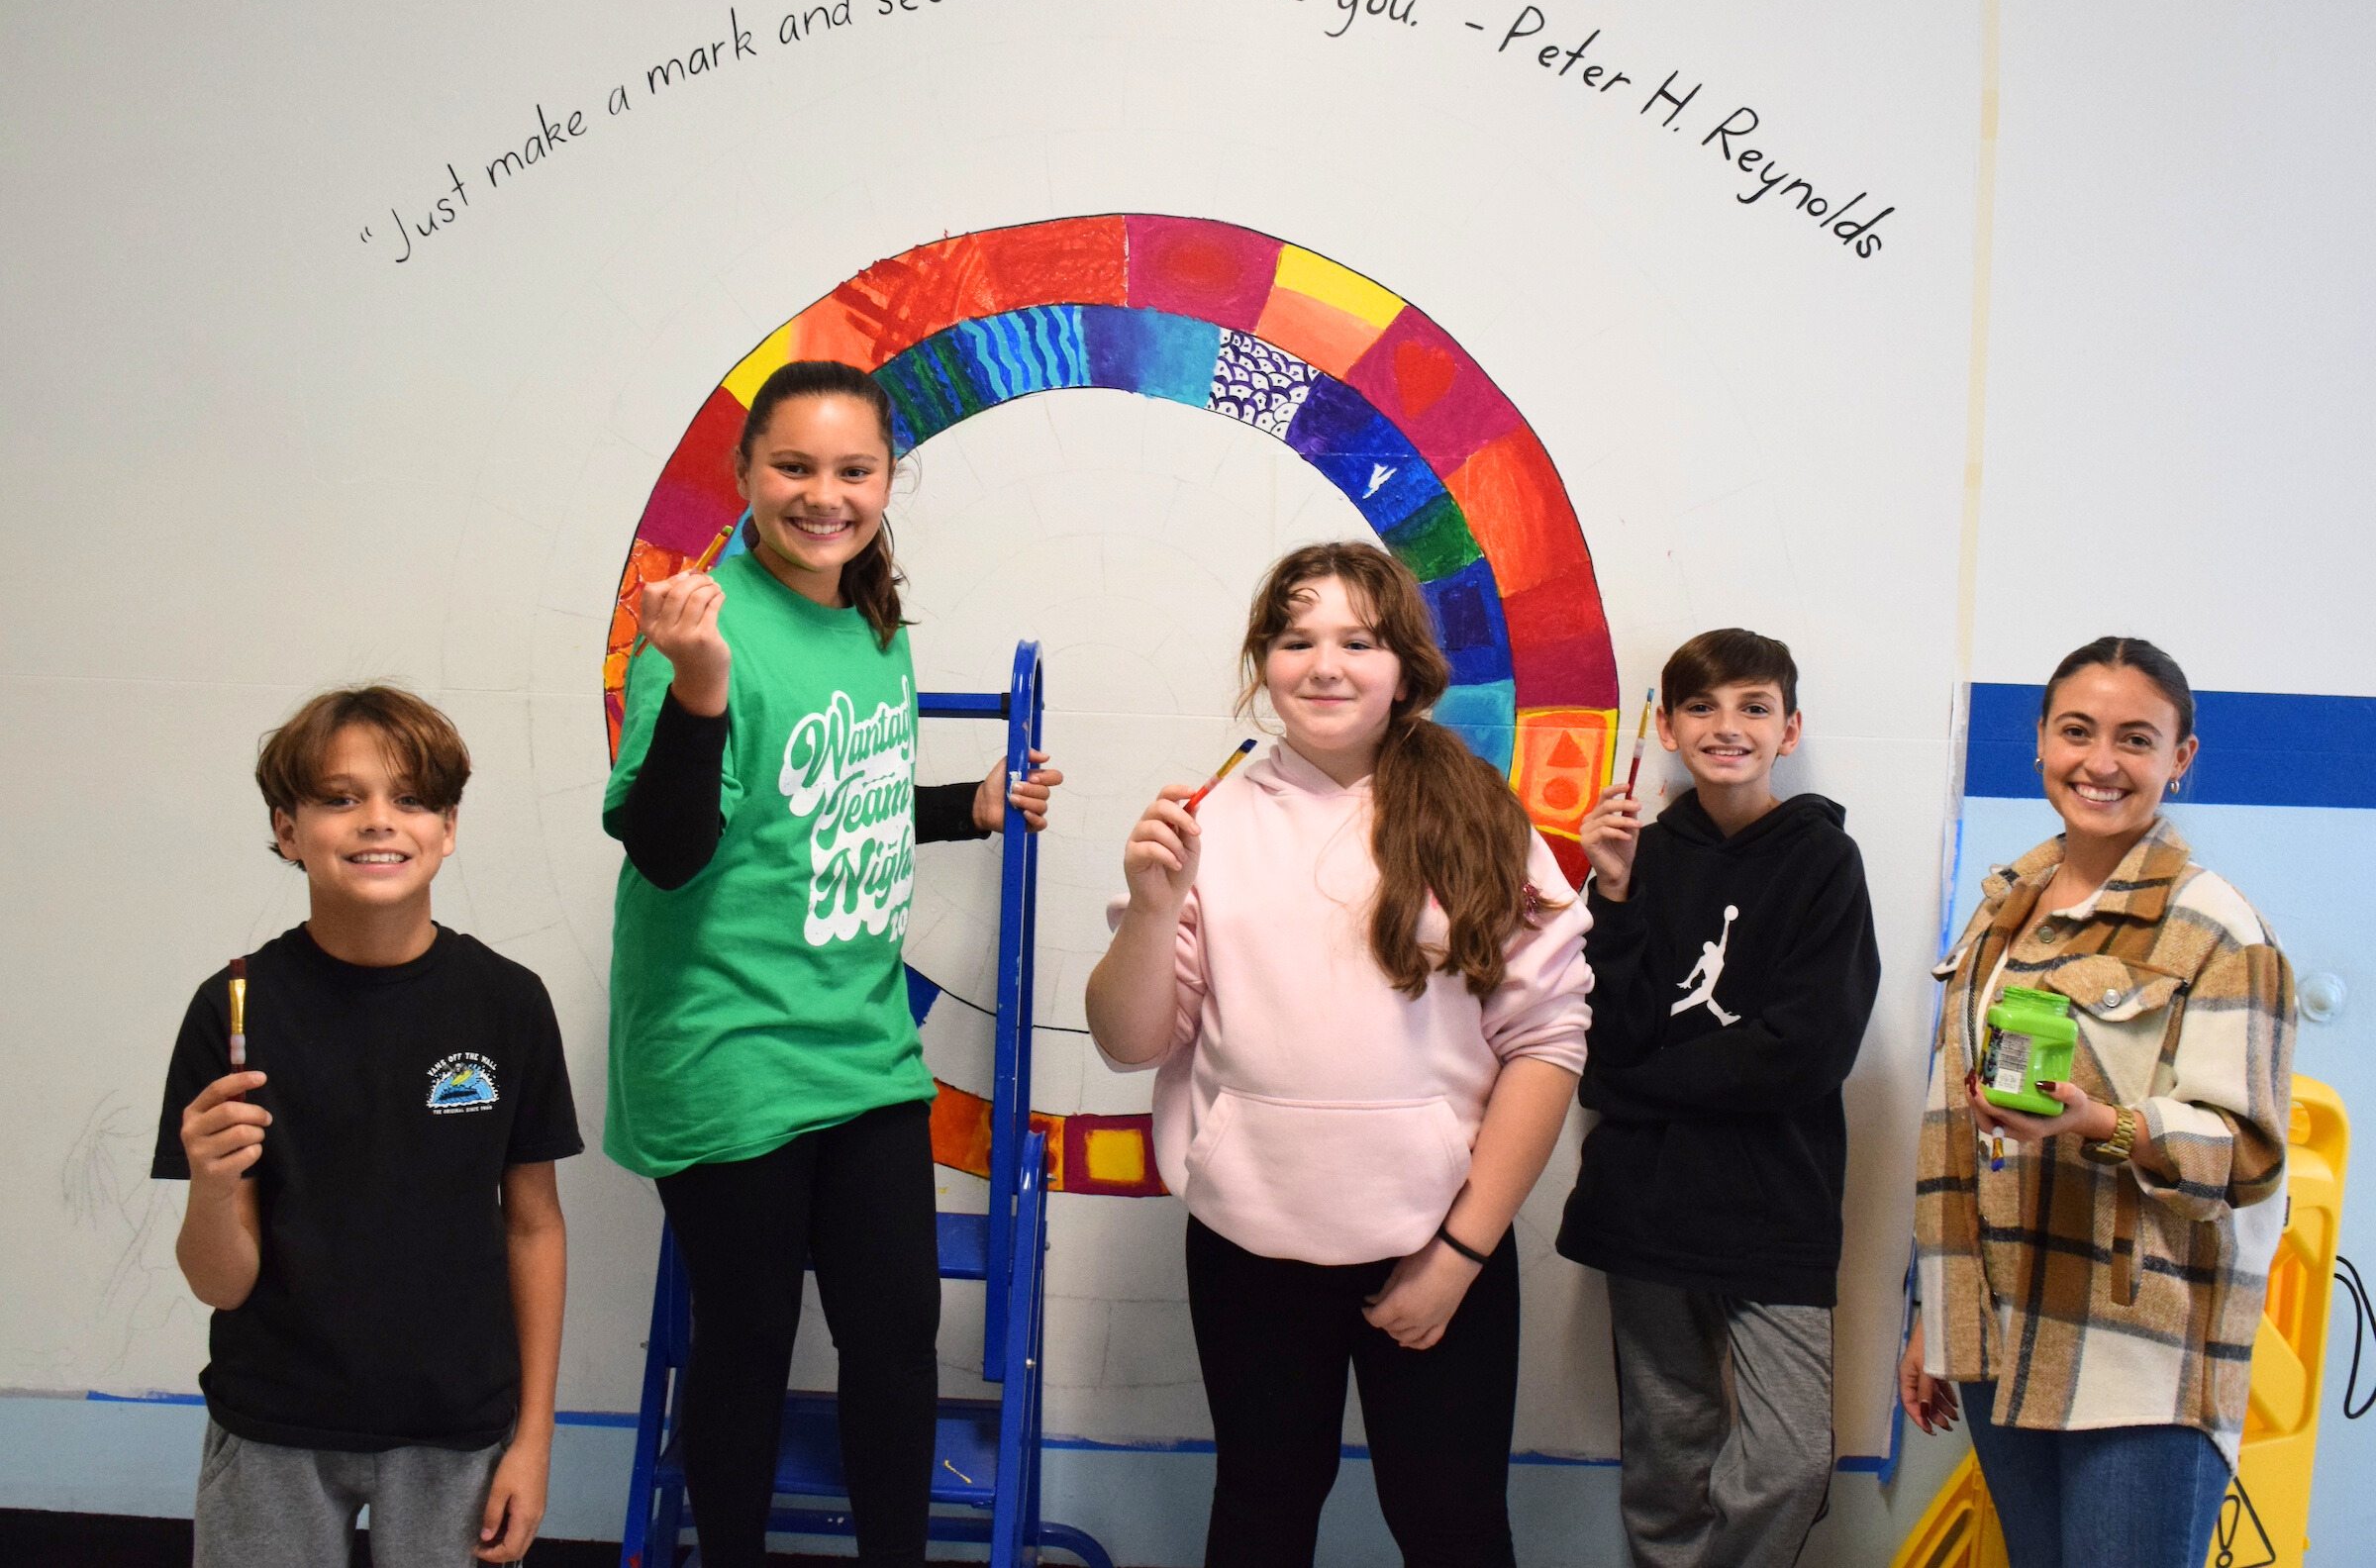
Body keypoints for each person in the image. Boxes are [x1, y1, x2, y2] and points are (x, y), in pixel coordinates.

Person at [604, 359, 1061, 1568]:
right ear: (745, 475)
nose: (824, 494)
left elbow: (829, 801)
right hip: (729, 1043)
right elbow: (668, 846)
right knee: (749, 1339)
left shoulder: (872, 622)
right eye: (794, 467)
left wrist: (971, 803)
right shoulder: (701, 629)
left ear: (887, 480)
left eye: (852, 470)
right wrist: (700, 691)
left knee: (897, 1330)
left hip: (857, 1041)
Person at [1085, 541, 1592, 1568]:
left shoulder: (1482, 815)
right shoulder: (1206, 822)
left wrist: (1456, 1254)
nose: (1325, 664)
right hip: (1248, 1249)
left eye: (1358, 640)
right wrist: (1149, 911)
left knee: (1450, 1522)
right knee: (1261, 1513)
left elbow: (1547, 1044)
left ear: (1403, 661)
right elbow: (1130, 1040)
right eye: (1295, 637)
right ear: (1262, 662)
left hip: (1441, 1243)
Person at [154, 686, 580, 1566]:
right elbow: (219, 1284)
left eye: (411, 798)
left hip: (455, 1426)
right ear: (286, 828)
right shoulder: (232, 1007)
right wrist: (210, 1182)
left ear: (449, 826)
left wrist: (534, 1436)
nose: (378, 821)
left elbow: (533, 1224)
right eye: (340, 797)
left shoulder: (507, 1002)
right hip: (273, 1418)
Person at [1900, 637, 2295, 1568]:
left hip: (2138, 1355)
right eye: (2077, 731)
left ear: (2179, 759)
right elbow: (1955, 1131)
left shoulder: (2218, 926)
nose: (2101, 762)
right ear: (2039, 739)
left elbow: (2243, 1152)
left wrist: (2100, 1123)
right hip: (2001, 1334)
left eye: (2136, 739)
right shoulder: (2001, 908)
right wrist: (1936, 1312)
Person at [1558, 629, 1880, 1568]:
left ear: (1790, 728)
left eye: (1753, 706)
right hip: (1645, 1203)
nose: (1726, 726)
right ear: (1665, 724)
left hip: (1780, 1202)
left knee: (1789, 1463)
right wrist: (1611, 897)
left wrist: (1637, 1084)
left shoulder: (1824, 860)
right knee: (1669, 1456)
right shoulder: (1639, 857)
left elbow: (1806, 1054)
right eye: (1701, 706)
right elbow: (1602, 1044)